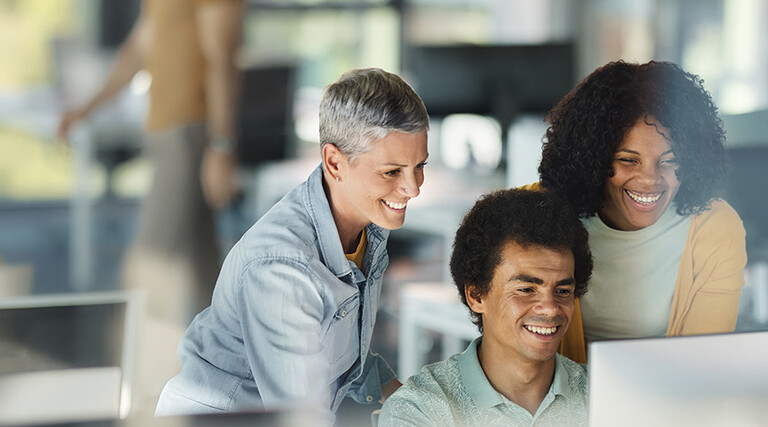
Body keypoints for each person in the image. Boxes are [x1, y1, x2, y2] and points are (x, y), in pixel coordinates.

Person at [155, 68, 430, 422]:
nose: (413, 188)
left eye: (419, 166)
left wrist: (415, 406)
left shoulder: (367, 225)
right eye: (392, 172)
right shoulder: (283, 269)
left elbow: (342, 355)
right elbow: (301, 419)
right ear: (334, 163)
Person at [534, 60, 747, 363]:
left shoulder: (715, 228)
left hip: (665, 400)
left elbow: (702, 364)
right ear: (593, 159)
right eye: (628, 160)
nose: (650, 180)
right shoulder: (536, 214)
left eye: (670, 161)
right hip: (556, 403)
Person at [57, 0, 243, 324]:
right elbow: (138, 49)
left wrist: (221, 147)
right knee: (204, 272)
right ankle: (236, 363)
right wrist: (87, 107)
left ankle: (142, 368)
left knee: (151, 265)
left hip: (191, 133)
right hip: (163, 132)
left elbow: (222, 58)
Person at [379, 189, 593, 427]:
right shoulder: (420, 408)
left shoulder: (602, 395)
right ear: (476, 295)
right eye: (526, 290)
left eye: (562, 291)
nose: (551, 309)